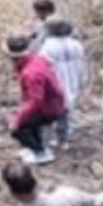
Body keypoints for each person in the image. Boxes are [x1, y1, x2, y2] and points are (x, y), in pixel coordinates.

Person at [5, 35, 67, 165]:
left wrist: (17, 119)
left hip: (49, 108)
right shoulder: (36, 59)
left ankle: (41, 153)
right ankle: (38, 148)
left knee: (17, 128)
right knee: (28, 121)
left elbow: (35, 102)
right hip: (53, 103)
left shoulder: (31, 74)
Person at [39, 15, 87, 149]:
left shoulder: (47, 47)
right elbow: (82, 65)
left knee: (54, 111)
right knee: (65, 109)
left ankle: (54, 138)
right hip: (73, 80)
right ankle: (63, 139)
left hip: (55, 83)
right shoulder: (76, 44)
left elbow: (43, 68)